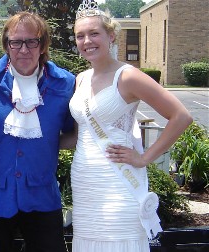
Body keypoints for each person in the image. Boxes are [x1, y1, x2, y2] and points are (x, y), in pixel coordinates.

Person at [62, 0, 193, 251]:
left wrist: (145, 158)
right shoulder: (80, 79)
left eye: (94, 33)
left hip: (117, 181)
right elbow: (80, 136)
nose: (87, 41)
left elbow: (181, 116)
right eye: (80, 36)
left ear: (111, 36)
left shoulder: (128, 76)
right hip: (85, 180)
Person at [0, 11, 75, 252]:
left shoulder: (65, 83)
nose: (24, 49)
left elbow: (73, 132)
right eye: (16, 42)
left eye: (32, 41)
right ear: (6, 45)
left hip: (42, 193)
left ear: (43, 45)